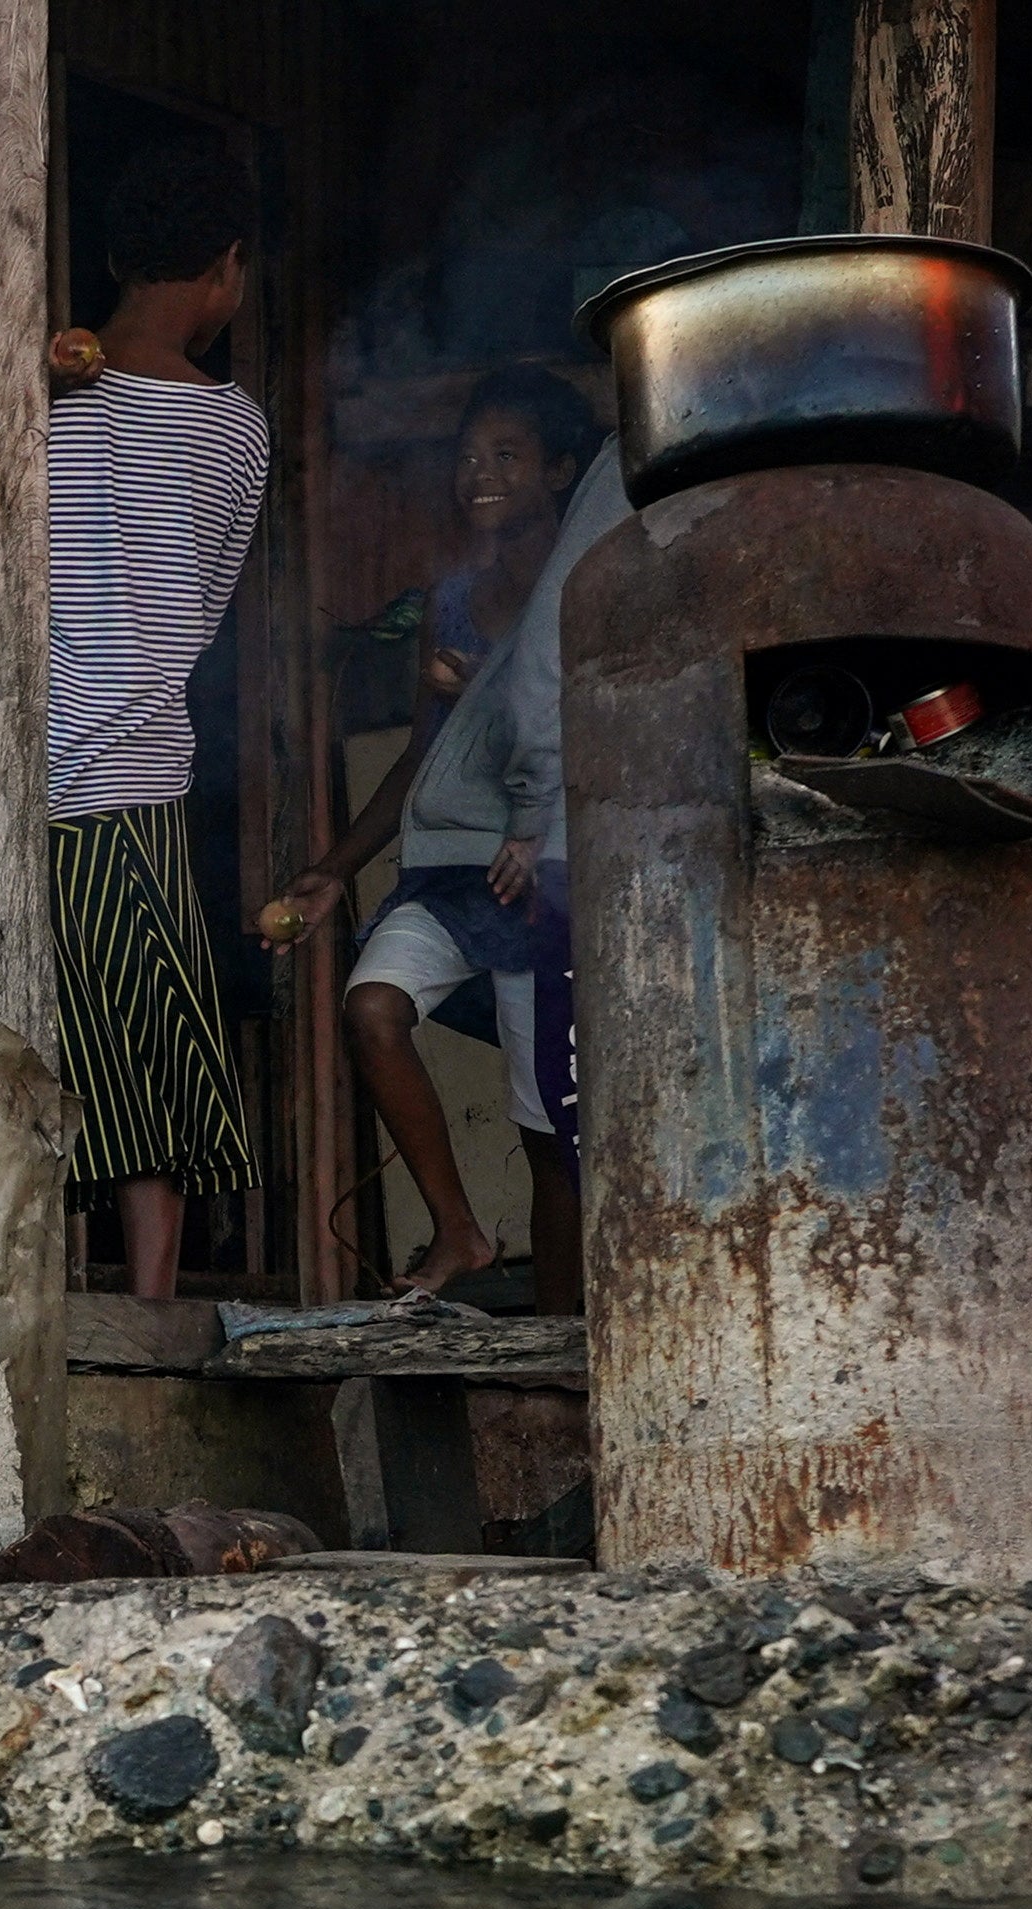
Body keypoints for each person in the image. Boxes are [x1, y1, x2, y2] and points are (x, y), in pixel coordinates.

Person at [265, 373, 627, 1306]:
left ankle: (557, 1338)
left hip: (535, 879)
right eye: (468, 458)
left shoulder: (594, 588)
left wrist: (525, 793)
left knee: (550, 1133)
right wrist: (332, 871)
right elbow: (425, 761)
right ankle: (460, 1228)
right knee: (372, 1008)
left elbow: (592, 731)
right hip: (445, 871)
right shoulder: (454, 601)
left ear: (557, 472)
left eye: (506, 456)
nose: (480, 475)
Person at [45, 140, 275, 1302]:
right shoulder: (235, 429)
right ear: (224, 269)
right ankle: (146, 1301)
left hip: (5, 776)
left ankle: (54, 1291)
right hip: (138, 765)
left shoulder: (28, 398)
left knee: (54, 1038)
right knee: (153, 1039)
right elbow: (206, 607)